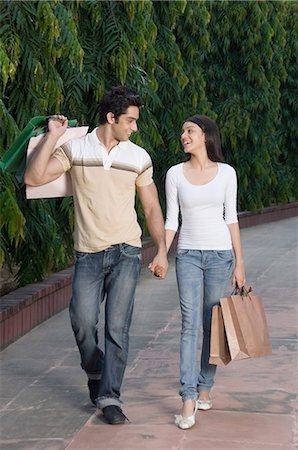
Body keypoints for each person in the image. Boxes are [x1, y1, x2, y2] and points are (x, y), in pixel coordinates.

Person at [24, 86, 168, 425]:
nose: (134, 127)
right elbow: (33, 176)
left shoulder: (138, 157)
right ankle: (95, 369)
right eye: (130, 121)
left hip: (127, 252)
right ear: (110, 117)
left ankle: (110, 396)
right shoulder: (76, 149)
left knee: (118, 327)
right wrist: (53, 136)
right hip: (88, 253)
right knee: (83, 322)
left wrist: (162, 249)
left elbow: (150, 206)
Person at [164, 114, 245, 430]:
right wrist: (161, 252)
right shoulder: (174, 174)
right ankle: (187, 398)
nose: (183, 135)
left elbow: (232, 217)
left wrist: (240, 263)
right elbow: (173, 220)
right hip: (187, 256)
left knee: (212, 325)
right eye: (182, 130)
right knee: (189, 325)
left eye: (190, 130)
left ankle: (205, 387)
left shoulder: (226, 173)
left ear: (206, 136)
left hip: (220, 256)